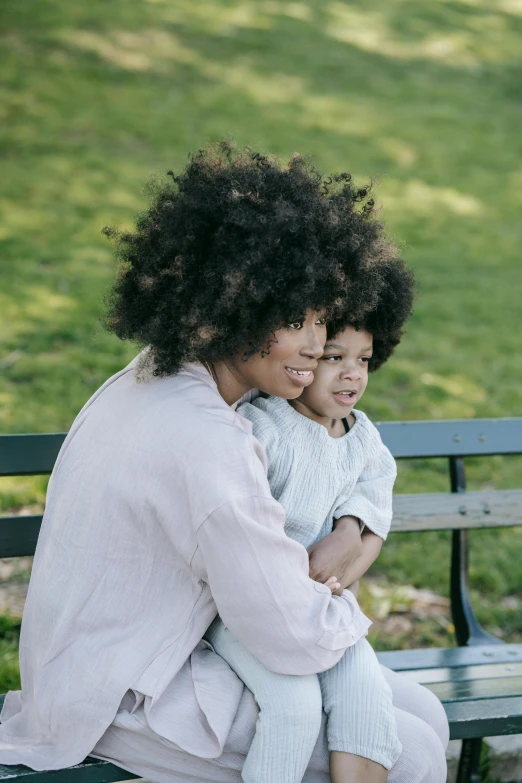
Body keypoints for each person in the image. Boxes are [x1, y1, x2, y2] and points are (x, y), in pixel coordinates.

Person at [0, 144, 449, 782]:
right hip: (129, 689)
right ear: (230, 304)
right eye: (294, 320)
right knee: (413, 752)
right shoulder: (210, 436)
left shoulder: (156, 375)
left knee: (421, 709)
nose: (316, 347)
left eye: (321, 319)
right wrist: (346, 598)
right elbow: (286, 630)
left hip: (135, 653)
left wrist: (353, 533)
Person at [207, 261, 412, 783]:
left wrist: (345, 540)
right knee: (291, 708)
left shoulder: (365, 442)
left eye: (364, 360)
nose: (352, 373)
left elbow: (372, 527)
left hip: (323, 604)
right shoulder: (263, 427)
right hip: (243, 610)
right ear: (304, 363)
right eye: (334, 358)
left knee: (366, 696)